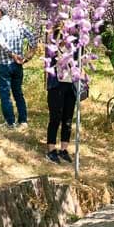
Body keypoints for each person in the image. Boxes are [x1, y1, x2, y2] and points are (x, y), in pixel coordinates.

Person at [0, 6, 36, 129]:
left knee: (5, 94)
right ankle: (23, 121)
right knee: (18, 92)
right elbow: (32, 38)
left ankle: (10, 123)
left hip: (4, 65)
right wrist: (28, 57)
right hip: (17, 65)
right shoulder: (19, 24)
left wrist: (13, 55)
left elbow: (2, 43)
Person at [45, 29, 76, 164]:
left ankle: (64, 149)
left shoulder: (74, 50)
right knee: (55, 118)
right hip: (56, 86)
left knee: (67, 119)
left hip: (70, 87)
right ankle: (51, 150)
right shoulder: (53, 50)